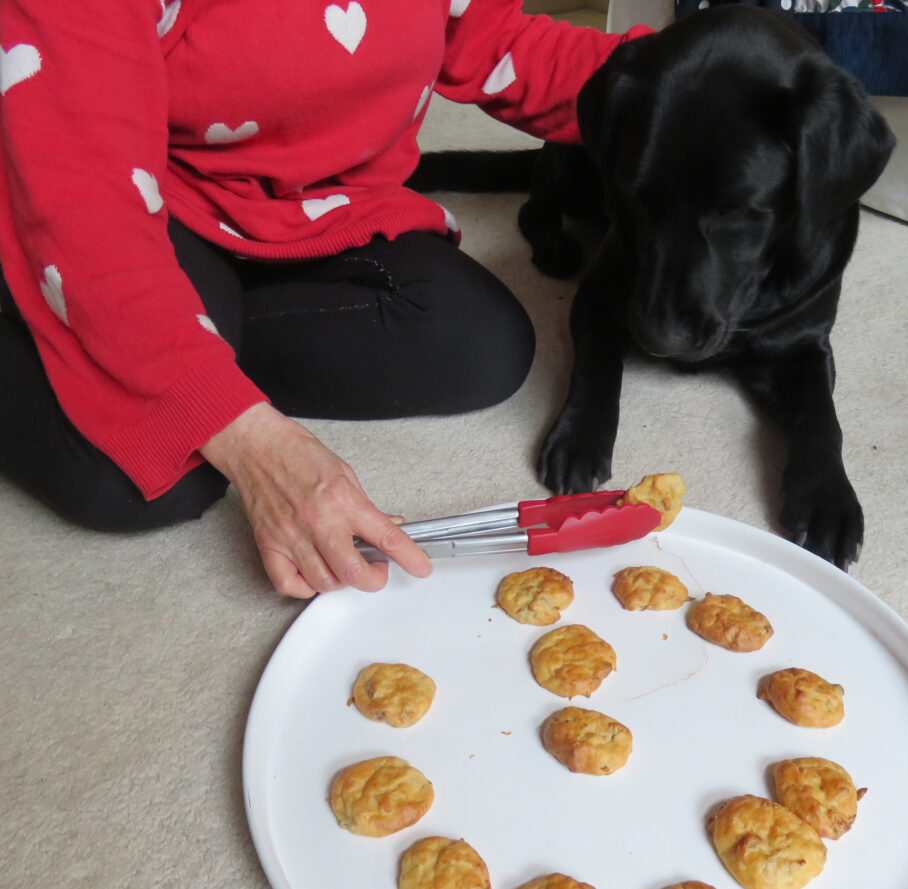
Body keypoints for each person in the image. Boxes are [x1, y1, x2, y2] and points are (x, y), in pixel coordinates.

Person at [0, 0, 649, 597]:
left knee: (480, 344)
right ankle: (75, 303)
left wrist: (705, 66)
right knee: (147, 475)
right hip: (147, 194)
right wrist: (246, 437)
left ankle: (170, 338)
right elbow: (86, 201)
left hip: (322, 206)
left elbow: (496, 40)